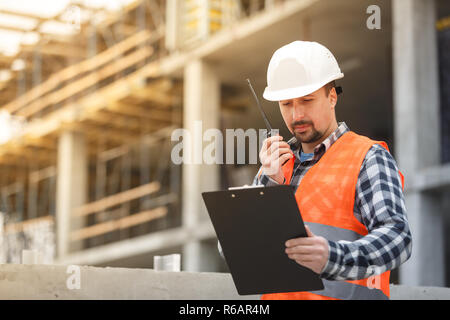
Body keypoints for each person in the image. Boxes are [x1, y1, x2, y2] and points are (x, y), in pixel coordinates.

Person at [253, 41, 412, 300]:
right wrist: (269, 186)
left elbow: (398, 239)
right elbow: (238, 251)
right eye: (286, 104)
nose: (296, 115)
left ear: (332, 97)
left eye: (307, 100)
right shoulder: (274, 167)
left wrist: (331, 257)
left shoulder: (368, 157)